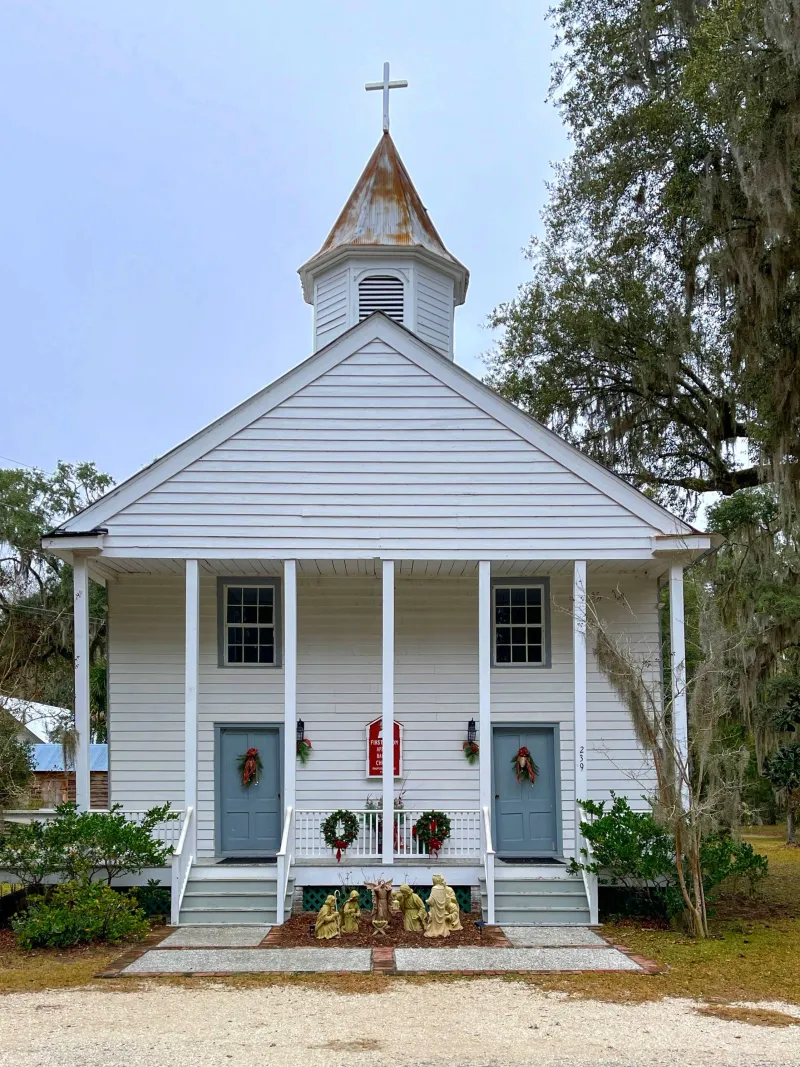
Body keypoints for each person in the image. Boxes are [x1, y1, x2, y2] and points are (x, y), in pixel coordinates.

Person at [424, 873, 450, 937]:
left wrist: (427, 901)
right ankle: (442, 931)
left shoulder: (434, 888)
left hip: (435, 909)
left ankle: (435, 931)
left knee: (435, 921)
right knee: (441, 920)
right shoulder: (443, 888)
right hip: (442, 908)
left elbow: (431, 900)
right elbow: (446, 898)